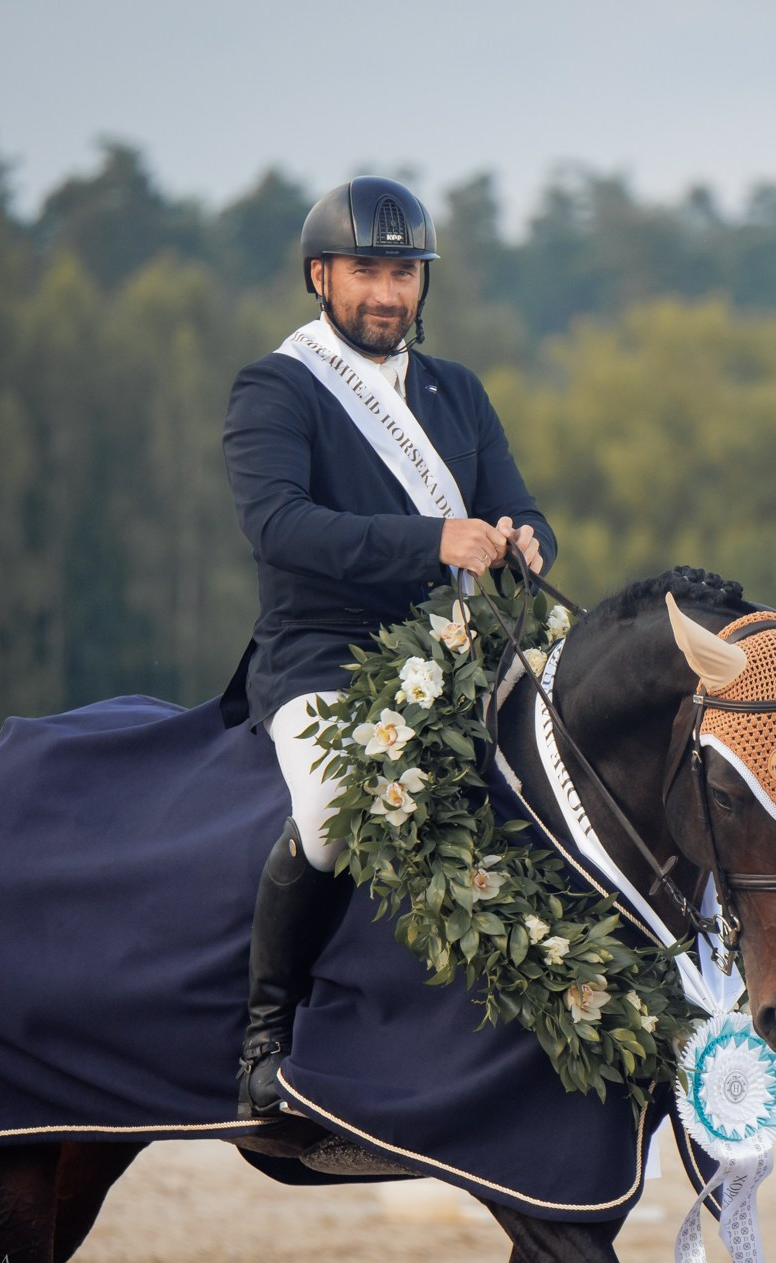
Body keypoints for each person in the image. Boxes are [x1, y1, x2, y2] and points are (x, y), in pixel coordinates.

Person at [218, 176, 556, 1119]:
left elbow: (518, 505)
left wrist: (529, 544)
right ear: (321, 275)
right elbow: (282, 528)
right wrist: (434, 541)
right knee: (332, 811)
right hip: (321, 653)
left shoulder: (459, 391)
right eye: (367, 270)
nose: (387, 292)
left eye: (404, 273)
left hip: (456, 648)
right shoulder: (277, 388)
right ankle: (264, 1039)